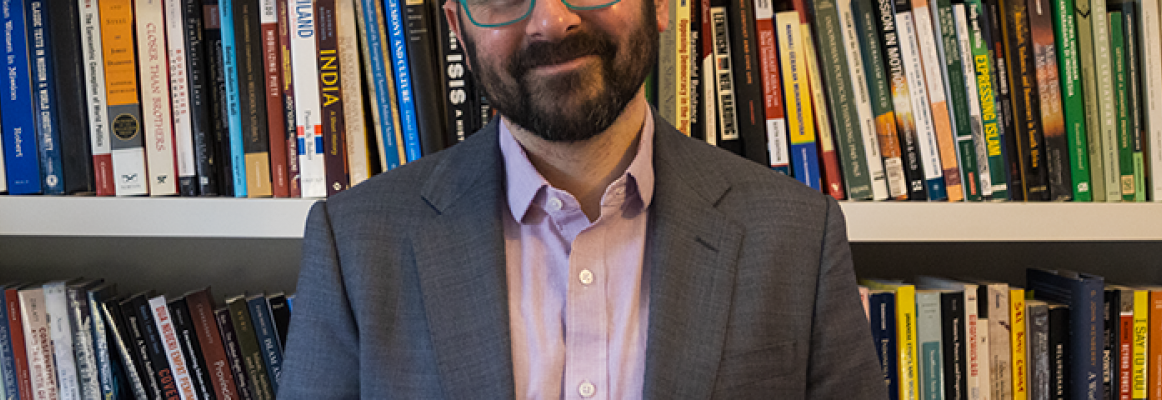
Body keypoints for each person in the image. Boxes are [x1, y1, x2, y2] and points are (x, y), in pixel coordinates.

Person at [276, 0, 886, 395]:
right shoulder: (354, 242)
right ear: (456, 29)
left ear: (666, 6)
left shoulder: (799, 238)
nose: (551, 21)